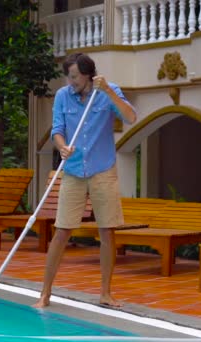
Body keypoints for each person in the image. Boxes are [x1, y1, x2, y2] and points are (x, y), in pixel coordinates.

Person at [34, 53, 137, 308]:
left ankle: (105, 293)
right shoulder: (62, 96)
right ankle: (45, 293)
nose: (71, 82)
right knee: (62, 230)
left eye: (75, 77)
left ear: (88, 75)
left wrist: (109, 93)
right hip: (73, 170)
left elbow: (130, 117)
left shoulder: (107, 91)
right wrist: (61, 147)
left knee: (107, 231)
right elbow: (57, 130)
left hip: (103, 169)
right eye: (68, 77)